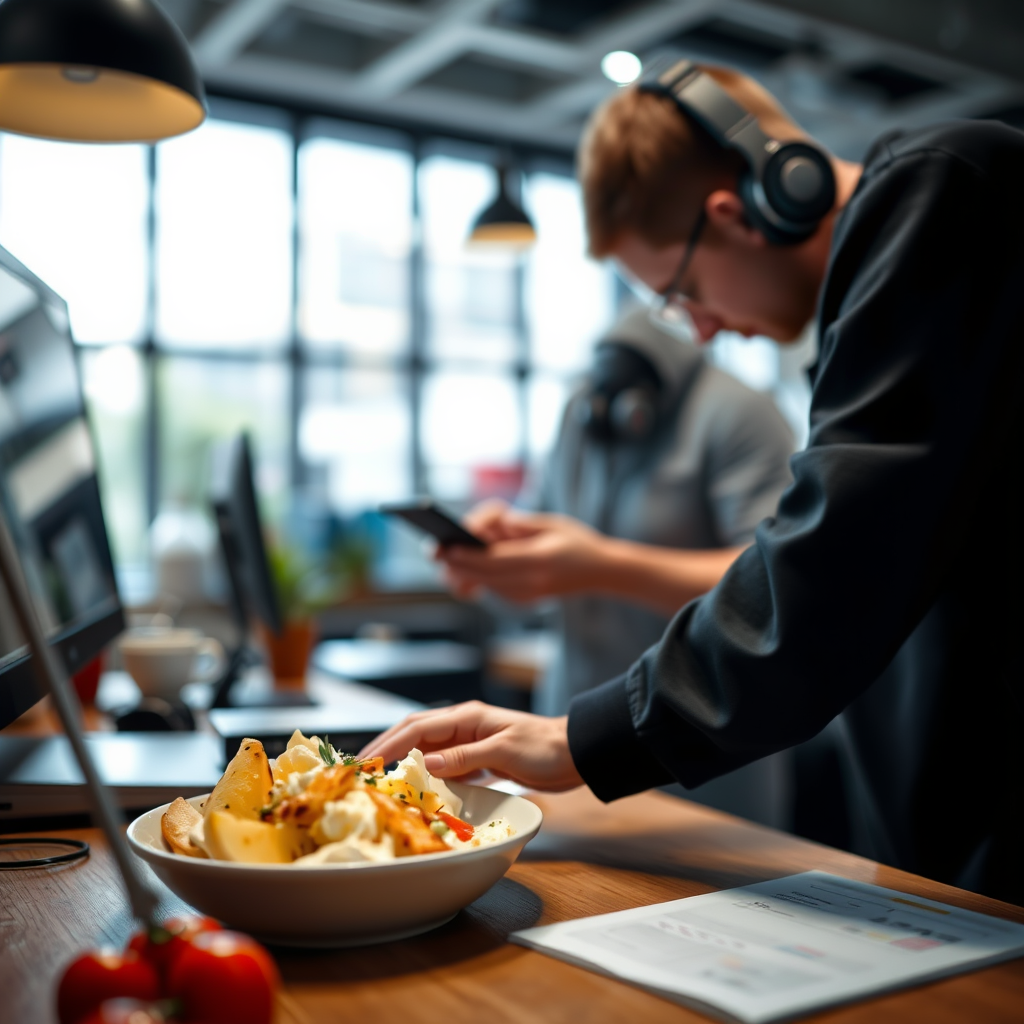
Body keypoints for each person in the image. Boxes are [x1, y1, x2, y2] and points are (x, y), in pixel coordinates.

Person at [364, 62, 1024, 904]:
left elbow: (831, 571)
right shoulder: (882, 287)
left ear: (735, 214)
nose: (702, 329)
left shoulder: (940, 192)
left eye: (681, 293)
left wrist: (582, 740)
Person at [447, 305, 794, 723]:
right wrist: (493, 565)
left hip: (696, 733)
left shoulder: (741, 413)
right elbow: (539, 582)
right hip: (568, 719)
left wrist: (600, 567)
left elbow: (772, 586)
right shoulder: (581, 408)